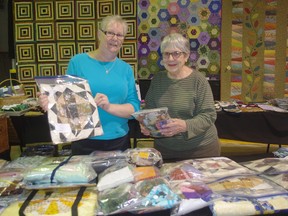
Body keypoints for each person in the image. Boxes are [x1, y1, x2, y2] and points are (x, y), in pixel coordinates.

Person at [38, 15, 140, 155]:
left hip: (119, 141)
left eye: (120, 35)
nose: (114, 38)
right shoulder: (78, 62)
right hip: (84, 140)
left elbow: (134, 108)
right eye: (110, 33)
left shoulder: (126, 69)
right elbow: (67, 103)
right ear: (99, 33)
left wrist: (109, 107)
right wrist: (50, 103)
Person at [140, 32, 220, 160]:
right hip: (165, 149)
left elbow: (209, 115)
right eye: (166, 54)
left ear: (186, 56)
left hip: (200, 150)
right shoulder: (158, 79)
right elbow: (149, 108)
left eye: (176, 53)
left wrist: (185, 126)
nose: (171, 59)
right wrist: (147, 124)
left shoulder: (198, 80)